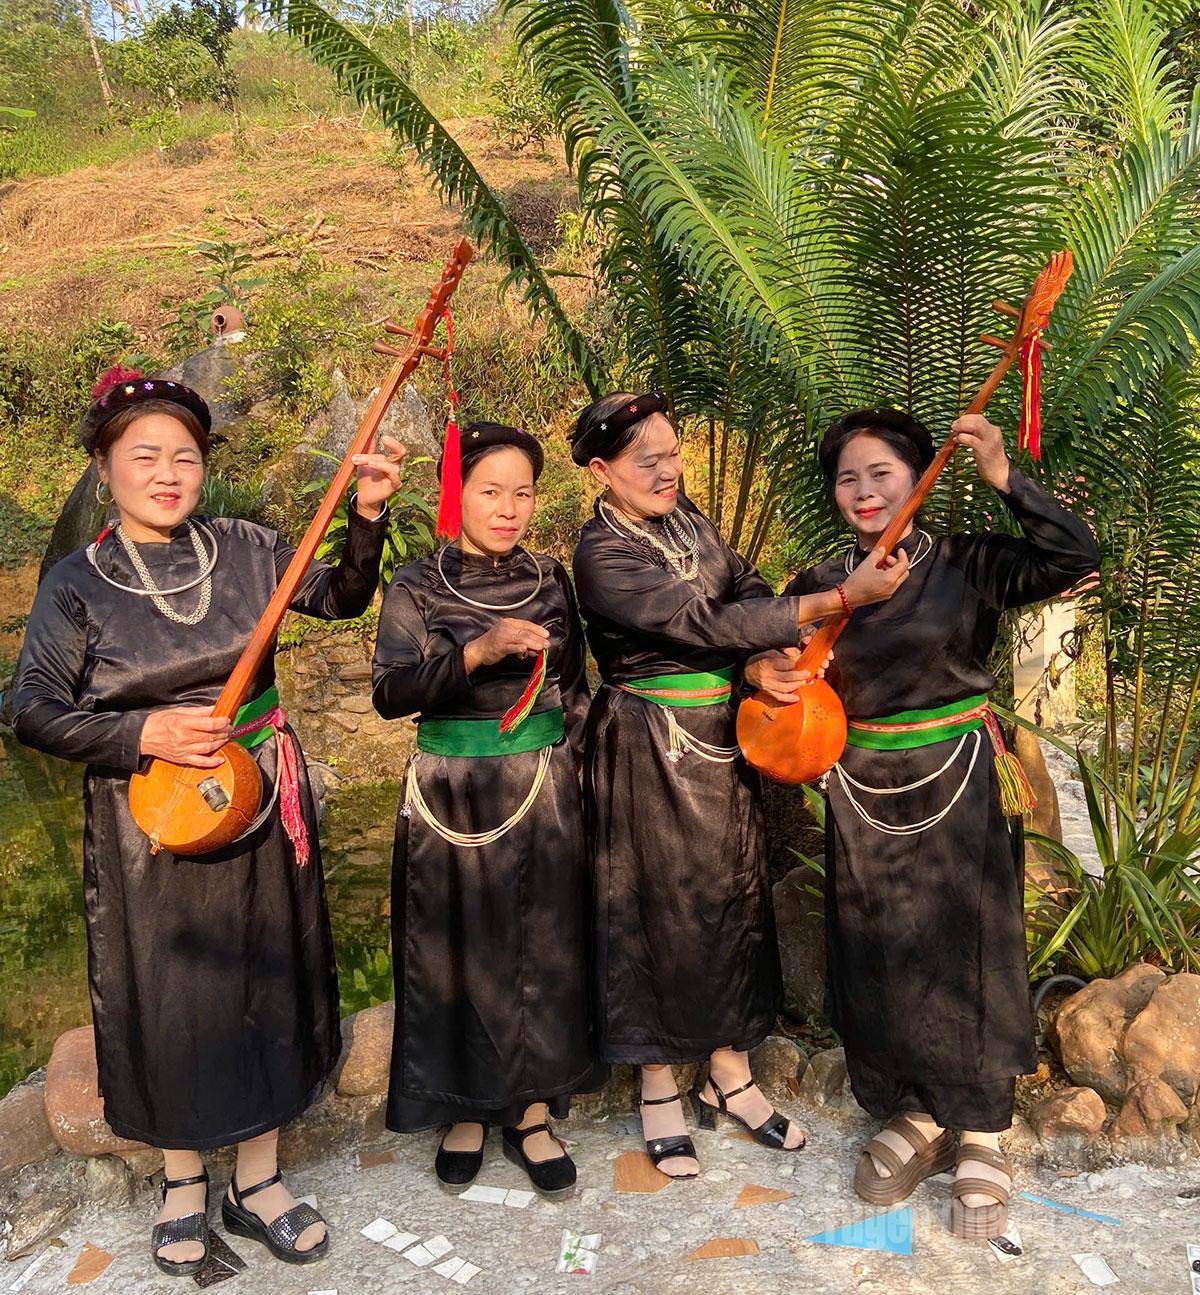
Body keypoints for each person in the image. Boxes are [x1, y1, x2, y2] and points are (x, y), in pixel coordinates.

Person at [11, 368, 405, 1274]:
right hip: (146, 816)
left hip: (259, 796)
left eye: (184, 456)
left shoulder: (246, 547)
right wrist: (140, 728)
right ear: (103, 467)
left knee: (270, 970)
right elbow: (31, 707)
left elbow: (340, 597)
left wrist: (369, 515)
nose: (167, 472)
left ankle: (257, 1178)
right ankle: (183, 1178)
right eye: (144, 454)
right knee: (169, 994)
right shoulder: (78, 584)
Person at [569, 391, 908, 1178]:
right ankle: (657, 1082)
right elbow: (700, 623)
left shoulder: (688, 519)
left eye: (672, 451)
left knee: (731, 901)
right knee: (654, 908)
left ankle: (729, 1073)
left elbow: (744, 590)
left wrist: (760, 660)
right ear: (600, 470)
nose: (666, 469)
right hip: (646, 744)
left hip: (726, 734)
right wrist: (835, 600)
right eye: (644, 459)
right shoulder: (600, 553)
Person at [778, 408, 1099, 1238]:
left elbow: (1075, 555)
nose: (863, 491)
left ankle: (983, 1124)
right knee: (878, 945)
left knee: (970, 946)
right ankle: (915, 1109)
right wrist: (773, 663)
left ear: (919, 476)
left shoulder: (965, 562)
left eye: (881, 472)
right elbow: (771, 656)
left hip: (956, 777)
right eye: (848, 477)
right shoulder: (822, 581)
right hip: (859, 784)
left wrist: (1001, 473)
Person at [372, 420, 602, 1200]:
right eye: (489, 490)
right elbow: (389, 692)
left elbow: (575, 686)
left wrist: (578, 772)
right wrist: (473, 654)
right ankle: (464, 1106)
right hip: (450, 790)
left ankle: (531, 1110)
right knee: (455, 949)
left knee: (539, 949)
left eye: (523, 492)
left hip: (541, 784)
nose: (509, 507)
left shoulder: (550, 577)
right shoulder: (417, 583)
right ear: (455, 492)